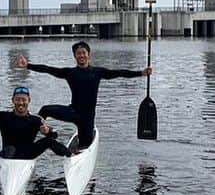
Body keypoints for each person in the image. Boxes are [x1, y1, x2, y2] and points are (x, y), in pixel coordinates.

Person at [16, 41, 151, 151]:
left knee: (84, 145)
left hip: (87, 118)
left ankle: (79, 150)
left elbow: (120, 72)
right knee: (45, 109)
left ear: (89, 55)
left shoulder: (97, 72)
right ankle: (30, 140)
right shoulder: (70, 72)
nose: (81, 56)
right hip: (73, 111)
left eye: (83, 53)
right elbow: (48, 69)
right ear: (75, 56)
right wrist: (28, 65)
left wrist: (141, 73)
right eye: (78, 53)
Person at [0, 86, 72, 160]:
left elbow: (54, 135)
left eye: (23, 100)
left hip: (28, 154)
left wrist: (47, 131)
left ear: (29, 101)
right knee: (10, 150)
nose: (20, 103)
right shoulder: (4, 116)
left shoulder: (36, 120)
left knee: (49, 141)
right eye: (17, 100)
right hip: (9, 155)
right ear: (13, 101)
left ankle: (71, 156)